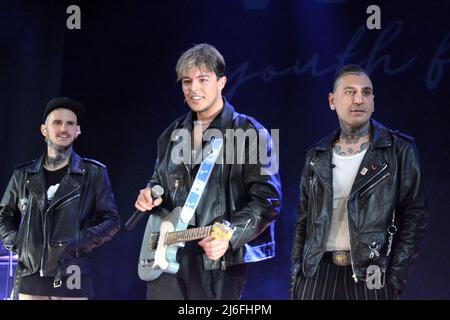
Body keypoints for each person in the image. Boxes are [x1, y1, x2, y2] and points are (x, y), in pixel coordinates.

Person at [134, 43, 282, 300]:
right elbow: (159, 180)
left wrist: (229, 235)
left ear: (221, 82)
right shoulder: (171, 134)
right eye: (187, 81)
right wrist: (150, 193)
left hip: (216, 258)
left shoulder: (251, 132)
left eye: (203, 79)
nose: (194, 88)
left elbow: (268, 199)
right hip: (167, 255)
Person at [291, 65, 428, 300]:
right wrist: (297, 277)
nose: (359, 99)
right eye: (350, 92)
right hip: (317, 275)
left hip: (371, 276)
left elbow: (415, 216)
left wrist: (393, 279)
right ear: (332, 101)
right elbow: (303, 222)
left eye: (366, 92)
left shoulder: (398, 150)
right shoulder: (316, 155)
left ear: (373, 101)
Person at [0, 97, 121, 300]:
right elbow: (4, 216)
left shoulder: (93, 173)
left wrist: (77, 242)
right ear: (44, 130)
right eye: (57, 123)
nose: (64, 129)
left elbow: (111, 220)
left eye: (70, 123)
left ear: (77, 131)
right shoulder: (23, 175)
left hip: (72, 270)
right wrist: (20, 243)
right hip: (31, 272)